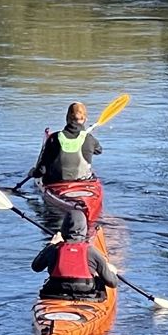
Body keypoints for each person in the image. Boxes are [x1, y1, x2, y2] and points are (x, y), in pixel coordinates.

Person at [29, 101, 104, 232]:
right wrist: (88, 138)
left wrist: (32, 173)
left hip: (57, 186)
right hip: (86, 185)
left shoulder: (53, 138)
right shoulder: (89, 138)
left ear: (67, 119)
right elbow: (98, 150)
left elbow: (41, 171)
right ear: (85, 119)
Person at [31, 208, 118, 301]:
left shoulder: (54, 249)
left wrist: (51, 244)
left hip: (56, 294)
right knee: (99, 282)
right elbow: (112, 283)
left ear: (64, 227)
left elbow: (36, 267)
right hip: (86, 296)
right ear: (84, 229)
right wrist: (112, 272)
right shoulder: (92, 252)